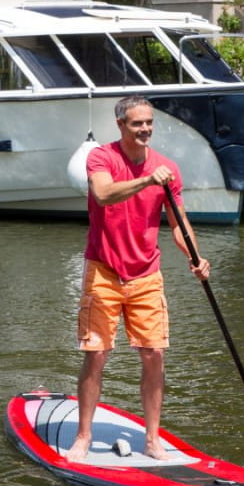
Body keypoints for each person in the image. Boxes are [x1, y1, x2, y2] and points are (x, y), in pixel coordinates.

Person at [67, 95, 210, 462]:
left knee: (154, 354)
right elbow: (102, 194)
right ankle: (83, 437)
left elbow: (179, 223)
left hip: (146, 273)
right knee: (96, 354)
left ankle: (152, 440)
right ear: (121, 126)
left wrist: (196, 257)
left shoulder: (168, 169)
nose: (145, 129)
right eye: (137, 123)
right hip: (104, 269)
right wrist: (147, 179)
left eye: (149, 122)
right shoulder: (102, 157)